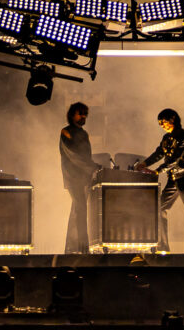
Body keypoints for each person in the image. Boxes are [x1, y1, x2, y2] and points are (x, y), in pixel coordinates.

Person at [136, 107, 184, 254]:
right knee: (160, 208)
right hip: (172, 179)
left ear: (172, 119)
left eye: (163, 122)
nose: (162, 125)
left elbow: (175, 158)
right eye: (160, 123)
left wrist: (158, 171)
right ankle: (162, 246)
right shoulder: (166, 138)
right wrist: (144, 164)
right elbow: (159, 153)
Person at [59, 101, 101, 253]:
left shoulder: (83, 133)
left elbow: (85, 156)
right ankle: (82, 247)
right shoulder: (66, 132)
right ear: (72, 115)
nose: (84, 116)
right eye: (80, 113)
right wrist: (93, 167)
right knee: (80, 209)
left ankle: (74, 246)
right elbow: (74, 156)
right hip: (73, 178)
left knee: (79, 210)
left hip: (84, 177)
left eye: (85, 114)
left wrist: (92, 169)